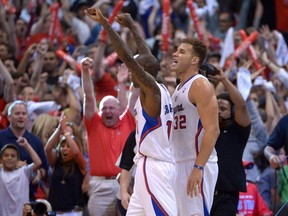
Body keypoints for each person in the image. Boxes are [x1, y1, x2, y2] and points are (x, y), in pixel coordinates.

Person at [85, 9, 177, 215]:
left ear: (141, 71)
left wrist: (105, 23)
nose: (130, 72)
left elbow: (126, 56)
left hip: (155, 168)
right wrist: (132, 26)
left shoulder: (151, 91)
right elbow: (148, 57)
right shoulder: (160, 85)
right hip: (148, 165)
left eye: (135, 68)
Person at [80, 29, 136, 216]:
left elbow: (135, 96)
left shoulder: (126, 120)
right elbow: (89, 96)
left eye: (112, 108)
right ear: (100, 111)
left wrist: (133, 73)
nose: (108, 111)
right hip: (99, 186)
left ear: (119, 110)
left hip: (125, 184)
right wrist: (85, 73)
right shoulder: (93, 123)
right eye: (104, 108)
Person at [170, 38, 220, 215]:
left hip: (197, 163)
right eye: (176, 50)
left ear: (195, 60)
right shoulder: (177, 89)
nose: (175, 54)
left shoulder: (200, 84)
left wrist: (198, 167)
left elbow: (213, 129)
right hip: (179, 162)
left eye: (182, 51)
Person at [210, 68, 251, 215]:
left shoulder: (238, 129)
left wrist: (224, 80)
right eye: (216, 108)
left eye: (223, 108)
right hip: (203, 190)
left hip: (226, 193)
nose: (218, 111)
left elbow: (242, 106)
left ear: (232, 113)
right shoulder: (206, 128)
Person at [0, 100, 49, 201]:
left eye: (24, 113)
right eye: (17, 113)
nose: (21, 116)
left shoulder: (36, 140)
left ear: (27, 117)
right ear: (9, 117)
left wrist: (39, 173)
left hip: (28, 195)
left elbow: (45, 168)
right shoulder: (1, 137)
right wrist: (12, 164)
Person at [44, 114, 86, 214]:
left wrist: (66, 133)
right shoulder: (56, 162)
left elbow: (76, 153)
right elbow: (47, 149)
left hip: (73, 212)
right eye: (62, 146)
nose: (65, 148)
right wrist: (59, 129)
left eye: (68, 146)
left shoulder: (81, 164)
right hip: (56, 212)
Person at [0, 141, 42, 216]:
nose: (9, 158)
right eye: (6, 155)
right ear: (1, 159)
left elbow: (38, 162)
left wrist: (26, 145)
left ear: (18, 160)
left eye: (13, 156)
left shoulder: (24, 172)